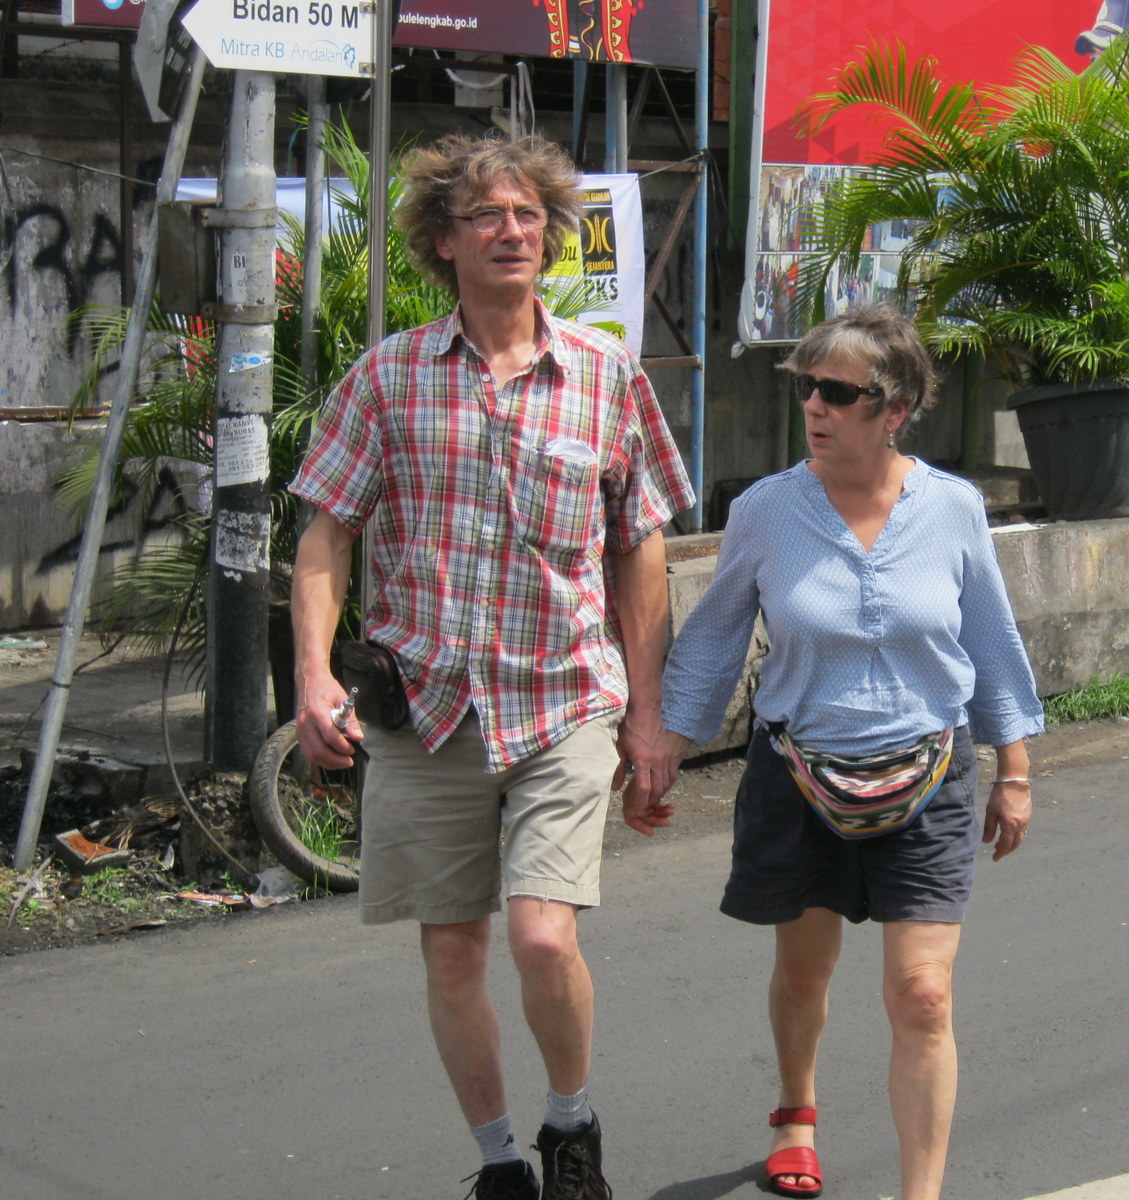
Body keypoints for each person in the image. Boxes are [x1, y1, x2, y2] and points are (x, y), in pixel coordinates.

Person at [289, 132, 694, 1200]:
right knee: (452, 952)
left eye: (528, 215)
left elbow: (640, 546)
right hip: (425, 709)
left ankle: (571, 1125)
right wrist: (314, 676)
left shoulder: (606, 375)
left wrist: (650, 714)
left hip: (562, 701)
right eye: (486, 216)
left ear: (550, 235)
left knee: (541, 937)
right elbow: (327, 533)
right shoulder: (388, 378)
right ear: (443, 240)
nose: (512, 232)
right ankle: (501, 1162)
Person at [658, 304, 1045, 1200]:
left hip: (931, 774)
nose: (814, 406)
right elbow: (714, 641)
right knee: (805, 972)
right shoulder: (765, 512)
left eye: (837, 392)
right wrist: (661, 750)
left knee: (923, 995)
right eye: (807, 387)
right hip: (801, 777)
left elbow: (990, 642)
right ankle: (796, 1115)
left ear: (895, 408)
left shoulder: (952, 509)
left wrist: (1016, 771)